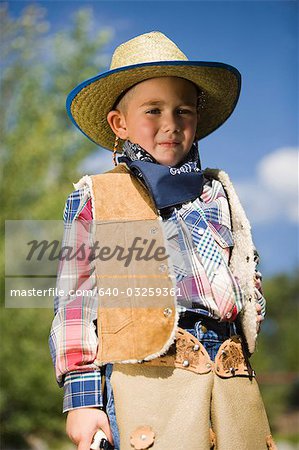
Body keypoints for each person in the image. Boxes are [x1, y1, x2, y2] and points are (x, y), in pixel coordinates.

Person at [49, 31, 277, 450]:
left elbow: (246, 272)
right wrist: (82, 401)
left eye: (183, 110)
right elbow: (75, 304)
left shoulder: (218, 192)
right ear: (120, 123)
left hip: (231, 375)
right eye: (152, 110)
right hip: (148, 378)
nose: (170, 123)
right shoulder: (99, 195)